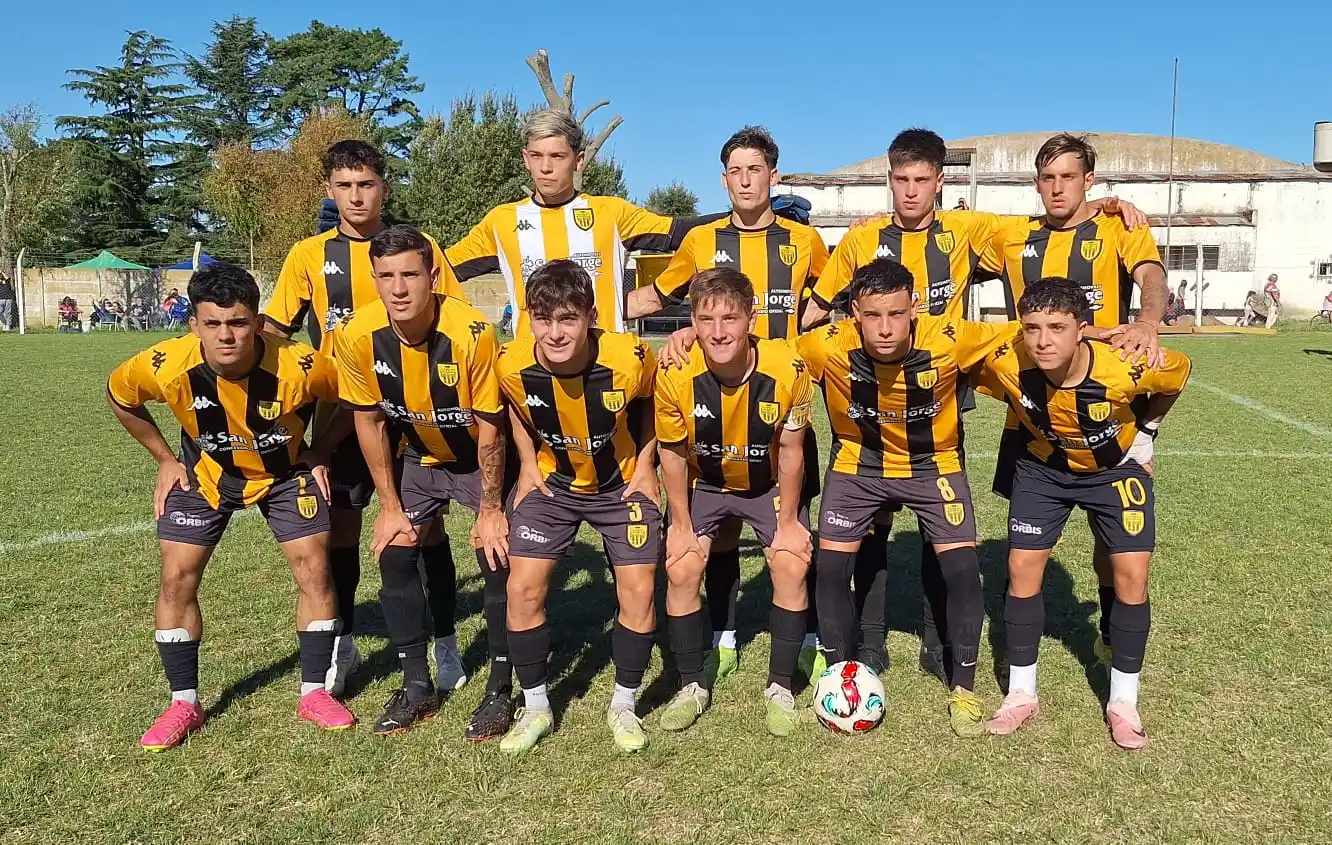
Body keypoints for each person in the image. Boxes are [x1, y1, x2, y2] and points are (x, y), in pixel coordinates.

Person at [794, 129, 1153, 684]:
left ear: (941, 181)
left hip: (939, 406)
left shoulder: (969, 229)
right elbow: (815, 314)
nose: (910, 192)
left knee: (944, 533)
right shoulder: (861, 242)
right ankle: (869, 642)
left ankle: (938, 641)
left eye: (921, 180)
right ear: (889, 181)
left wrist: (1105, 205)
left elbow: (1054, 217)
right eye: (900, 180)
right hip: (865, 413)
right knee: (870, 530)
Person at [105, 262, 357, 751]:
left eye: (239, 323)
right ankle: (184, 702)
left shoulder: (301, 364)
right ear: (193, 324)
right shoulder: (163, 365)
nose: (227, 335)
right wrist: (163, 458)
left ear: (258, 322)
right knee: (177, 577)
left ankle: (313, 693)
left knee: (315, 570)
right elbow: (120, 396)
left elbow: (351, 399)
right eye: (214, 324)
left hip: (284, 476)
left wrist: (320, 451)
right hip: (205, 475)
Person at [264, 140, 468, 696]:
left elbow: (452, 318)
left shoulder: (418, 248)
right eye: (345, 186)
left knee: (424, 530)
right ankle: (345, 642)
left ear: (383, 187)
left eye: (367, 184)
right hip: (345, 416)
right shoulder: (308, 255)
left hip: (418, 412)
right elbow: (276, 331)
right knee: (345, 532)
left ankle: (444, 641)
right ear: (329, 190)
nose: (357, 196)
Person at [629, 126, 829, 681]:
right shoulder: (700, 241)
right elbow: (661, 296)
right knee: (716, 535)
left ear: (773, 175)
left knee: (794, 523)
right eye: (735, 171)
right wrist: (611, 314)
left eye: (755, 169)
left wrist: (796, 336)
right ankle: (721, 633)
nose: (745, 180)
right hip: (717, 399)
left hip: (782, 399)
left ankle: (806, 637)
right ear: (723, 180)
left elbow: (832, 295)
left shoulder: (803, 240)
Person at [797, 258, 1018, 737]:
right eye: (873, 315)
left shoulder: (950, 338)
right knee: (832, 568)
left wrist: (1111, 332)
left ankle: (964, 687)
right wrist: (688, 337)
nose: (884, 328)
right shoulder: (825, 346)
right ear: (854, 312)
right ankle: (839, 672)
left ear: (915, 307)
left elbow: (1035, 331)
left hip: (933, 466)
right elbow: (764, 353)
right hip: (858, 466)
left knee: (962, 570)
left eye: (896, 314)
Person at [974, 276, 1191, 750]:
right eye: (1032, 328)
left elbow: (1178, 374)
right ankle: (1020, 694)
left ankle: (1123, 703)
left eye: (1057, 327)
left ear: (1081, 329)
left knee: (1132, 573)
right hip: (1042, 471)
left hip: (1115, 472)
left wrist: (1146, 431)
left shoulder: (1125, 365)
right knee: (1020, 567)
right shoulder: (1007, 361)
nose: (1043, 340)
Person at [982, 133, 1169, 667]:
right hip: (1032, 414)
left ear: (1089, 179)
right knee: (1025, 541)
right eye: (1048, 177)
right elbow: (939, 229)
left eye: (1069, 176)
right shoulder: (1014, 237)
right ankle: (1017, 641)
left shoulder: (1118, 227)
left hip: (1106, 404)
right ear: (1036, 183)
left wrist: (1148, 323)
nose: (1057, 187)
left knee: (1111, 539)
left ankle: (1111, 633)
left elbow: (1151, 276)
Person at [335, 225, 515, 738]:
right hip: (420, 460)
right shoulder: (355, 335)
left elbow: (490, 430)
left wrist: (490, 508)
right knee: (395, 549)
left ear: (433, 277)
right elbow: (368, 421)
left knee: (495, 556)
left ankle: (500, 688)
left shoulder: (472, 333)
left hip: (480, 460)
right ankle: (417, 686)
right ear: (373, 279)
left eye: (410, 274)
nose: (398, 288)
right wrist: (389, 505)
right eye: (386, 276)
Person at [494, 259, 661, 754]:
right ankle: (537, 706)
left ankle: (625, 704)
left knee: (639, 589)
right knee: (521, 589)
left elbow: (651, 403)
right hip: (553, 486)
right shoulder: (511, 363)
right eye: (543, 319)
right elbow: (513, 407)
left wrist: (647, 466)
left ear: (590, 316)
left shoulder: (629, 358)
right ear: (530, 319)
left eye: (567, 319)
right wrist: (525, 464)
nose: (555, 332)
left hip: (619, 485)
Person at [654, 267, 814, 737]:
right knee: (681, 565)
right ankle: (690, 685)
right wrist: (680, 525)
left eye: (730, 318)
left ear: (751, 319)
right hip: (707, 484)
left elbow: (791, 449)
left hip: (765, 484)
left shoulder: (788, 368)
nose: (718, 332)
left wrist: (787, 520)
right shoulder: (675, 371)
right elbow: (672, 453)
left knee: (789, 561)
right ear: (692, 322)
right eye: (706, 319)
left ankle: (780, 687)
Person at [446, 108, 722, 335]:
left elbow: (682, 232)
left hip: (605, 367)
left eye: (556, 156)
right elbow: (435, 269)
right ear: (525, 159)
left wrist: (751, 213)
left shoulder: (611, 213)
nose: (545, 167)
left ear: (577, 161)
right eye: (537, 156)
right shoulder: (501, 221)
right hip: (532, 370)